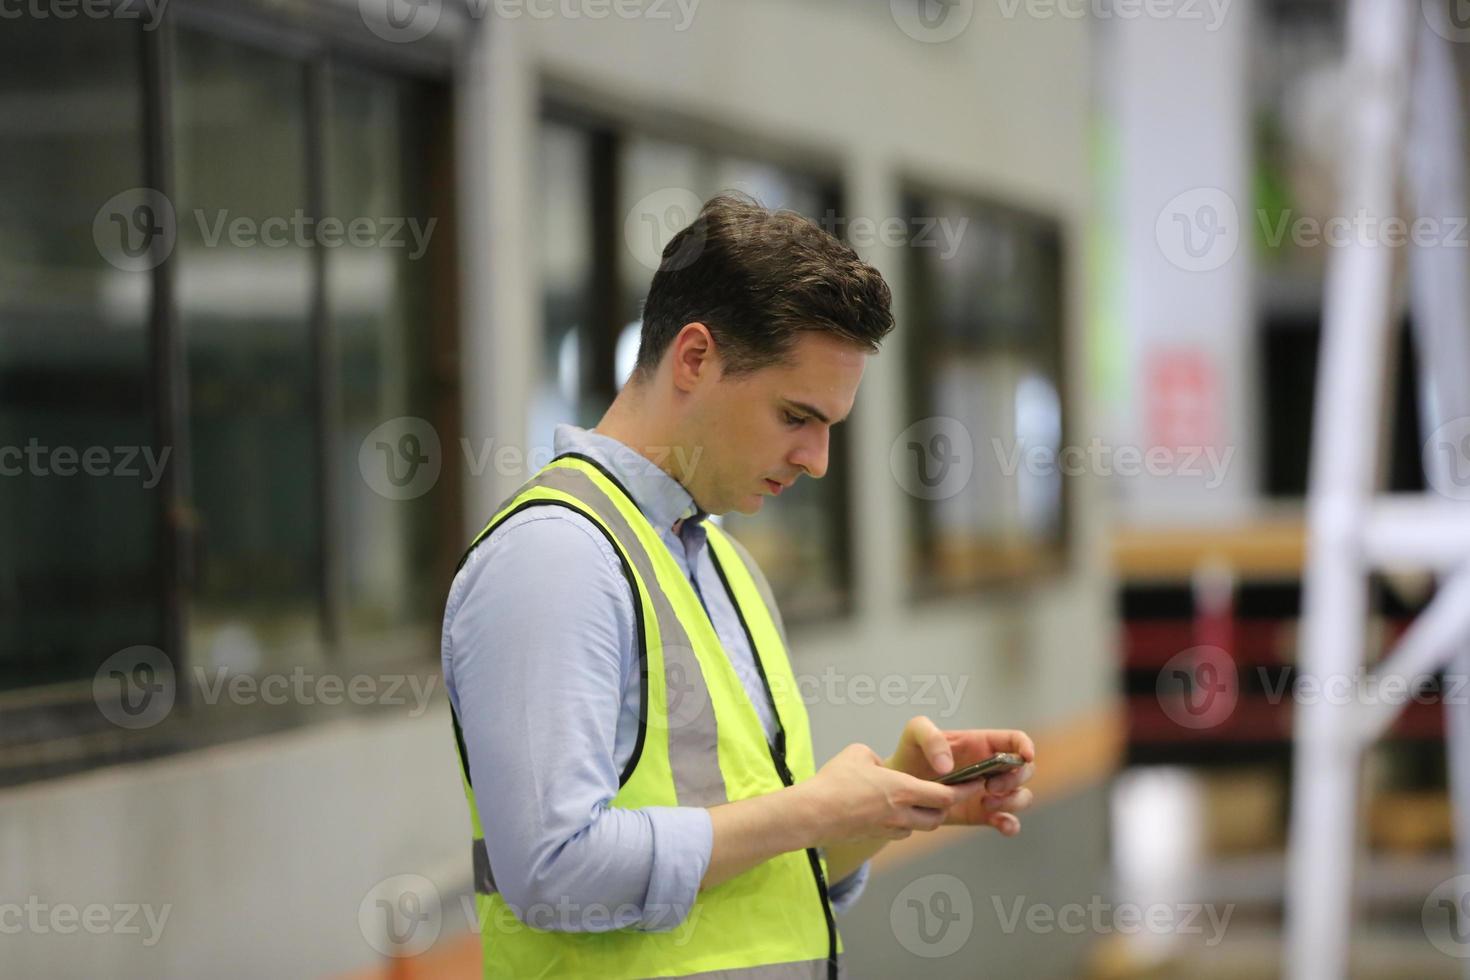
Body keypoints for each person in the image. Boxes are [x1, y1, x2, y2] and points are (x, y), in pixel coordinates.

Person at [442, 194, 1036, 978]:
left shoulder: (722, 566)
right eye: (796, 415)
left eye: (830, 426)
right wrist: (812, 807)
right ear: (694, 358)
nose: (816, 459)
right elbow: (552, 873)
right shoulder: (555, 561)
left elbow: (756, 874)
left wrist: (885, 807)